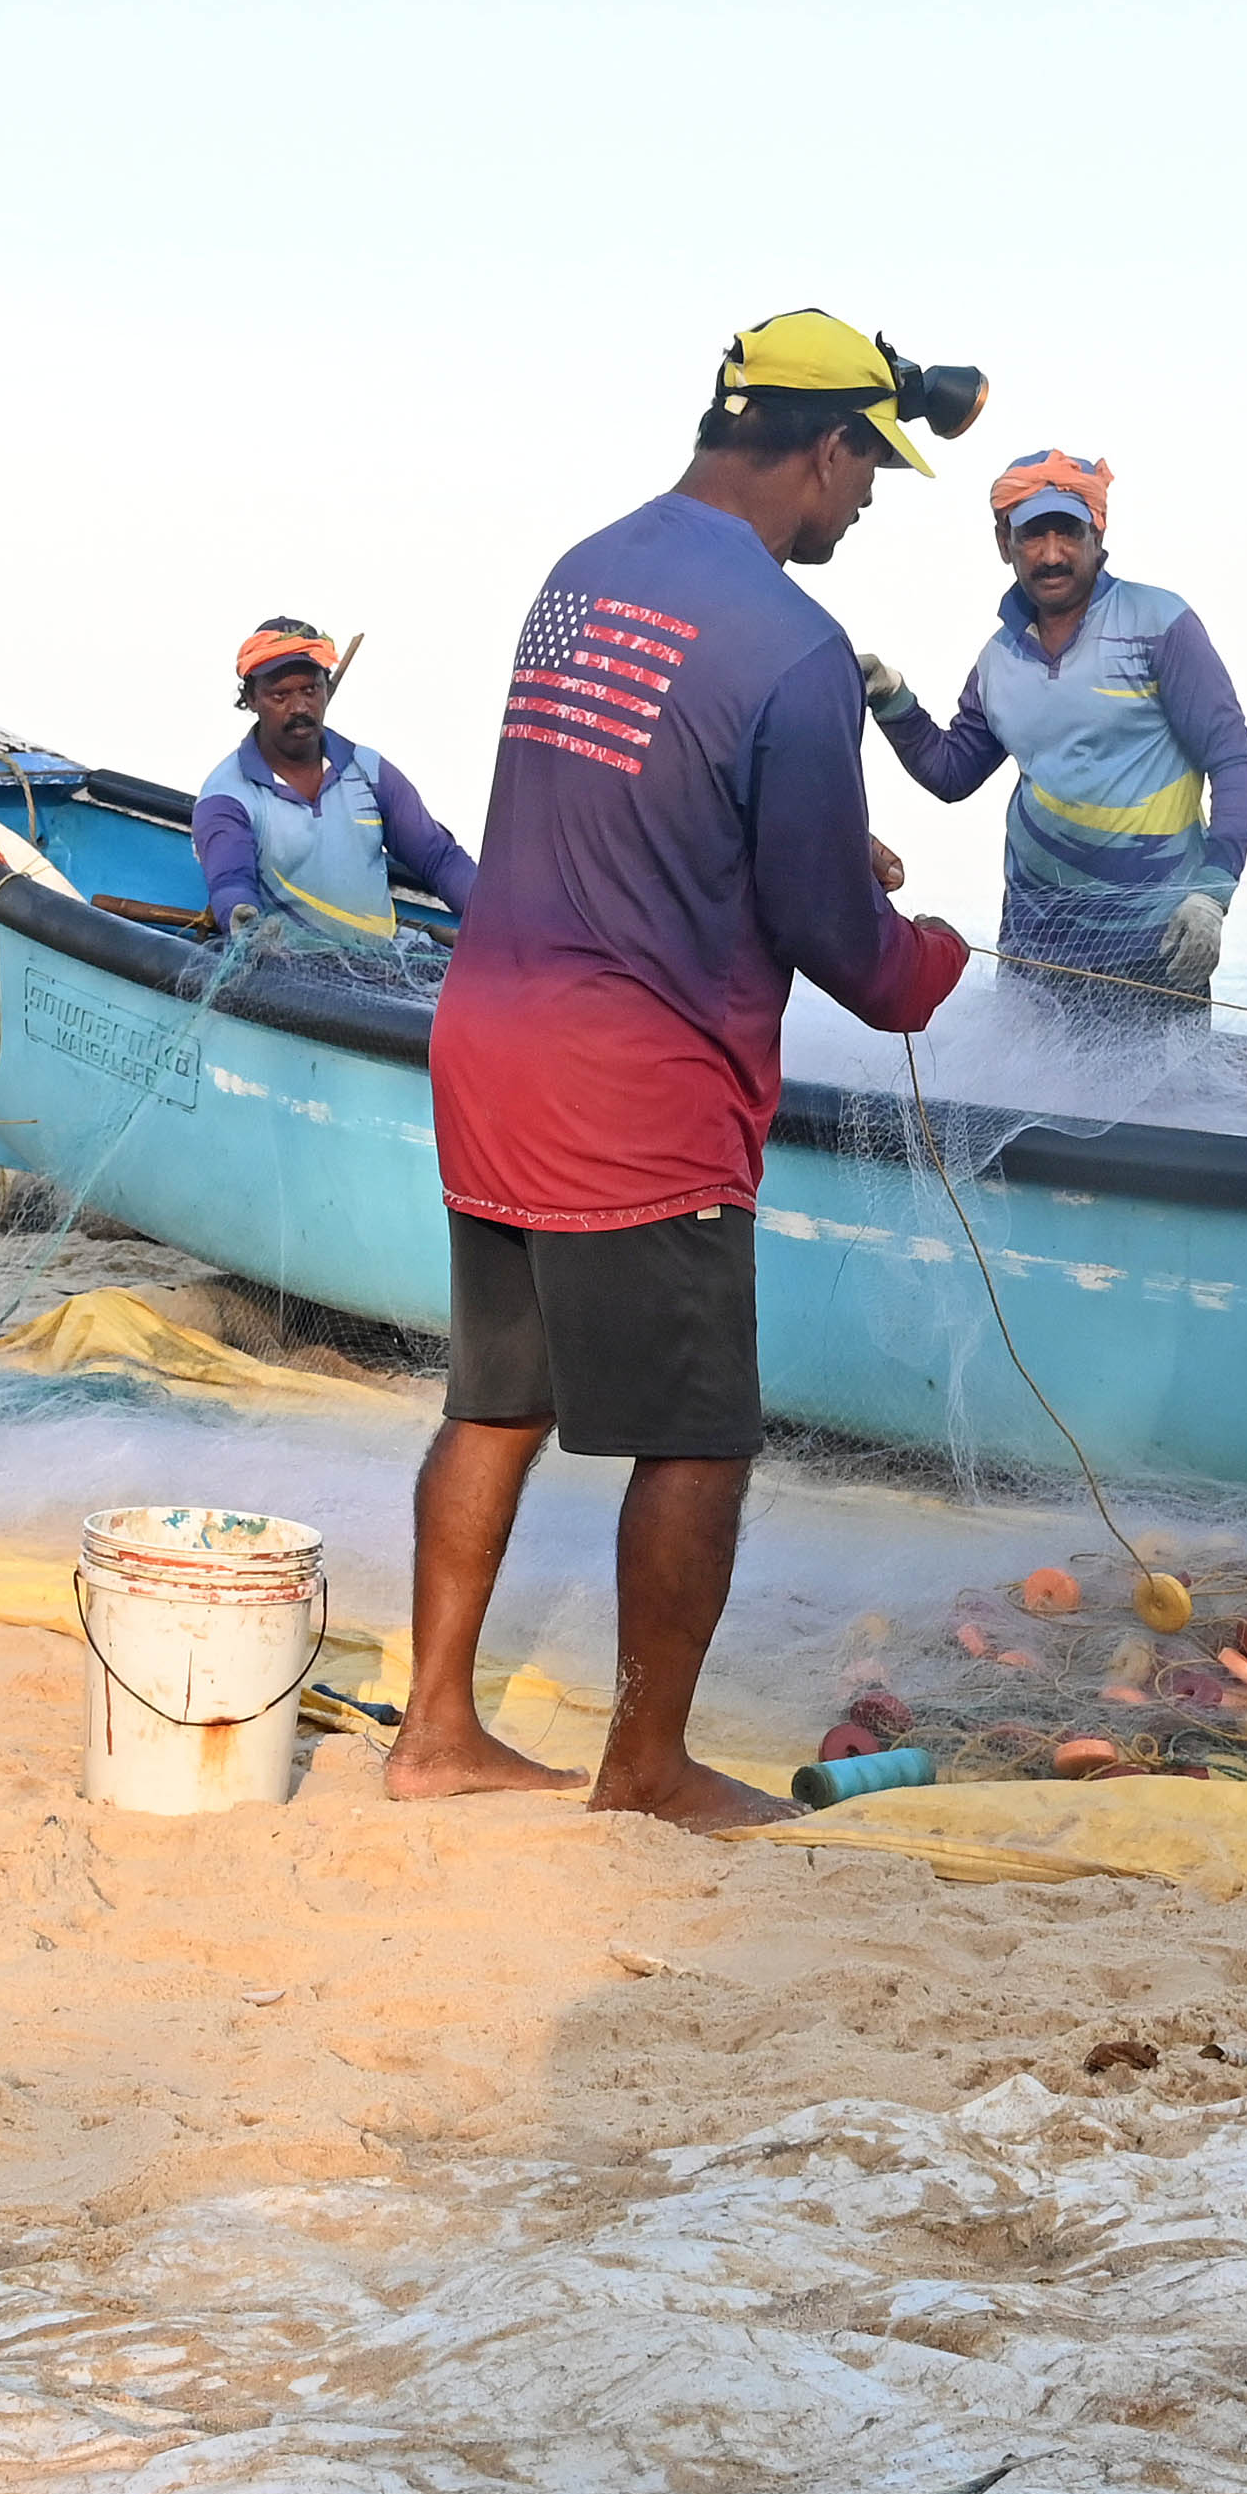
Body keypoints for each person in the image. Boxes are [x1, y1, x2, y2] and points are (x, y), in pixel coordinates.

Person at [392, 310, 973, 1826]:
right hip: (633, 1086)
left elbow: (632, 792)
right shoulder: (796, 648)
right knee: (701, 1434)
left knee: (495, 1400)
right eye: (868, 477)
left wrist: (816, 846)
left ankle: (436, 1729)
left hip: (490, 1045)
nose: (860, 508)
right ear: (825, 447)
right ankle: (645, 1769)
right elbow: (832, 936)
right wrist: (919, 958)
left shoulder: (580, 573)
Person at [858, 450, 1247, 1021]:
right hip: (1035, 954)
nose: (1051, 555)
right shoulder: (998, 661)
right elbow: (951, 774)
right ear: (1005, 543)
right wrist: (893, 698)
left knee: (1157, 1110)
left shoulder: (1159, 624)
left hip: (1155, 952)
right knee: (1027, 1110)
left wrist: (1211, 895)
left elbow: (1234, 760)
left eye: (1067, 532)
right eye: (1031, 536)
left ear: (1097, 532)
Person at [190, 619, 472, 957]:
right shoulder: (227, 796)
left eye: (310, 690)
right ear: (251, 698)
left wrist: (503, 922)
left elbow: (439, 859)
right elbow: (231, 882)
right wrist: (246, 926)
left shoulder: (369, 771)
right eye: (280, 695)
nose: (299, 708)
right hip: (292, 974)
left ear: (328, 688)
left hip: (384, 964)